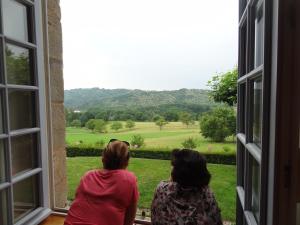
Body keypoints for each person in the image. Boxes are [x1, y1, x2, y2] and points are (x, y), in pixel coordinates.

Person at [64, 140, 139, 225]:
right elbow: (129, 220)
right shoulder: (129, 179)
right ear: (126, 162)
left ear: (103, 158)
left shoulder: (88, 176)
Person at [151, 149, 222, 225]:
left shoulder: (162, 190)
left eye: (174, 167)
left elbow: (154, 217)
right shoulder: (207, 195)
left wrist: (171, 180)